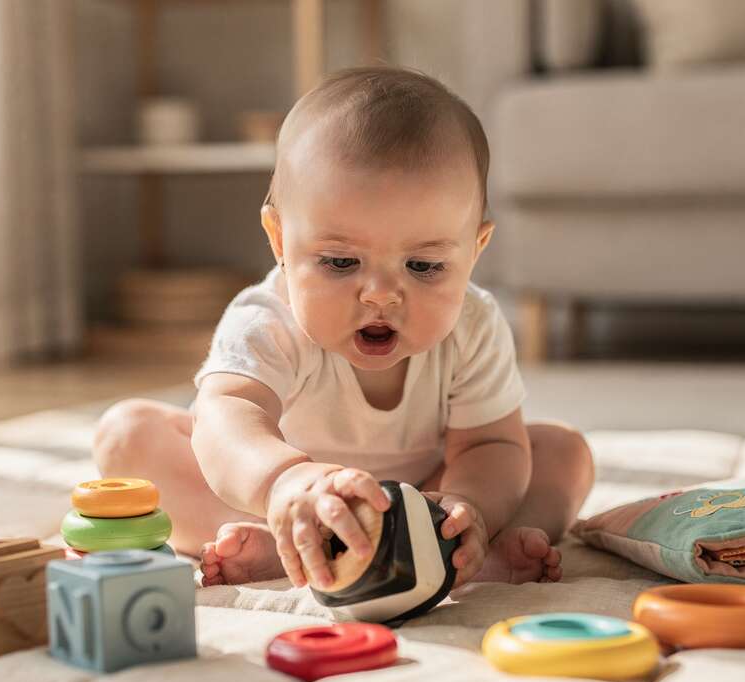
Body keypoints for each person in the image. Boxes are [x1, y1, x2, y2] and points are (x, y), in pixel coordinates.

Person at [93, 66, 594, 590]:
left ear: (475, 250)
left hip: (426, 496)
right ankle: (283, 542)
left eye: (423, 267)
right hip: (281, 496)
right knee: (128, 436)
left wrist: (468, 505)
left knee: (564, 453)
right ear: (280, 241)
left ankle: (458, 551)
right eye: (339, 261)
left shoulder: (474, 325)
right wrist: (283, 482)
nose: (380, 294)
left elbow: (490, 447)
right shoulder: (267, 320)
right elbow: (226, 418)